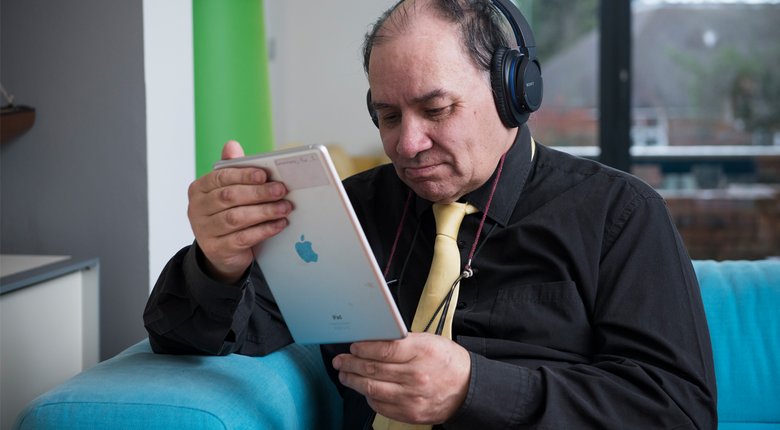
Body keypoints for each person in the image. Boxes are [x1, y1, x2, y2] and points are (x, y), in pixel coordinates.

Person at [144, 0, 717, 428]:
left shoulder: (619, 214)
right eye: (388, 116)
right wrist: (218, 264)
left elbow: (680, 411)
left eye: (436, 109)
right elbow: (193, 338)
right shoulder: (351, 210)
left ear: (513, 93)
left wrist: (476, 388)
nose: (407, 144)